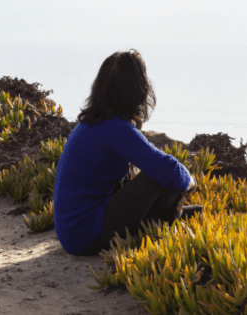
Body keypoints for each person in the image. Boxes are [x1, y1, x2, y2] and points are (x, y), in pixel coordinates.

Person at [53, 49, 201, 256]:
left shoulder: (90, 124)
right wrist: (191, 183)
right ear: (137, 90)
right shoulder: (114, 128)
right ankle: (164, 225)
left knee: (160, 175)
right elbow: (167, 168)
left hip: (74, 233)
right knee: (159, 175)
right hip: (86, 235)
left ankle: (165, 220)